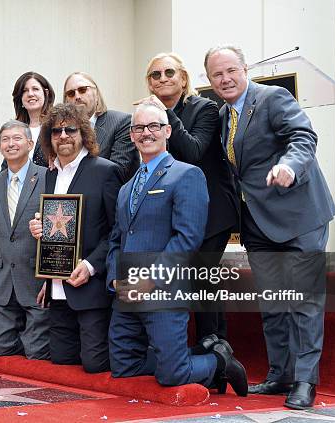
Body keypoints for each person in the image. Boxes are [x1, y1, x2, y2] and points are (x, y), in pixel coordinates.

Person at [204, 45, 335, 409]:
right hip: (258, 223)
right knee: (274, 303)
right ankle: (281, 374)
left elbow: (303, 138)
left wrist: (290, 167)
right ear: (210, 80)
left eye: (231, 70)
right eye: (217, 74)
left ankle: (305, 380)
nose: (225, 79)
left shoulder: (272, 98)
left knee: (305, 301)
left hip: (299, 217)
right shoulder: (223, 115)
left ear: (245, 69)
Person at [105, 101, 248, 395]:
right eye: (139, 128)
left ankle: (219, 361)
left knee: (173, 375)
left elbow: (187, 239)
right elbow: (116, 240)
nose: (146, 133)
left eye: (154, 126)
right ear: (131, 135)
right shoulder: (125, 188)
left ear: (168, 131)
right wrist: (114, 279)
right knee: (123, 366)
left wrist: (152, 279)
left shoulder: (187, 175)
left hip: (163, 290)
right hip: (127, 293)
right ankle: (190, 355)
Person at [140, 52, 238, 346]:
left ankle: (213, 343)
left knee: (200, 274)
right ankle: (217, 346)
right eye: (155, 75)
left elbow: (193, 152)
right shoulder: (148, 117)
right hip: (177, 212)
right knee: (197, 277)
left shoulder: (205, 108)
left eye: (169, 72)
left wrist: (165, 115)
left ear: (183, 79)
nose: (163, 79)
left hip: (213, 211)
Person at [29, 103, 123, 373]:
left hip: (90, 287)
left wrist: (92, 266)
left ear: (83, 133)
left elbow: (117, 231)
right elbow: (59, 229)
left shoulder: (105, 171)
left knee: (96, 364)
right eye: (56, 131)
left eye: (70, 129)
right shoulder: (49, 175)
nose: (63, 136)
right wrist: (41, 235)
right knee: (62, 361)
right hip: (58, 289)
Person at [0, 120, 49, 360]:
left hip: (36, 282)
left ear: (30, 143)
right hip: (3, 281)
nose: (11, 144)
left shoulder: (48, 178)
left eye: (17, 138)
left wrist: (52, 279)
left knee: (37, 352)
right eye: (5, 139)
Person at [63, 72, 139, 182]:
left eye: (83, 90)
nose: (77, 96)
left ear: (96, 94)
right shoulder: (62, 132)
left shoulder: (122, 122)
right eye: (71, 93)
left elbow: (116, 172)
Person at [5, 72, 55, 168]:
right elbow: (6, 169)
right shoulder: (15, 130)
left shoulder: (56, 126)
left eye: (35, 89)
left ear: (46, 93)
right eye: (25, 91)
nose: (30, 94)